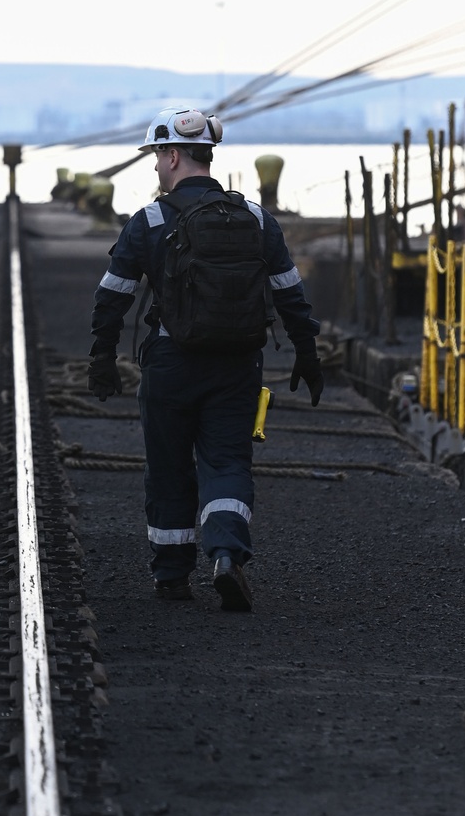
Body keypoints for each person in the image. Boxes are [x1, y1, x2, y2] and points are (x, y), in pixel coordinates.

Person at [87, 107, 322, 611]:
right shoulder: (257, 219)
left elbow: (113, 298)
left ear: (173, 155)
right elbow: (290, 295)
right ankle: (225, 554)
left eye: (155, 157)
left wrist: (102, 357)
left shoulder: (148, 220)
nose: (154, 167)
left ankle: (172, 576)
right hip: (238, 364)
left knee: (169, 466)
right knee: (229, 461)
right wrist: (308, 353)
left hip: (171, 361)